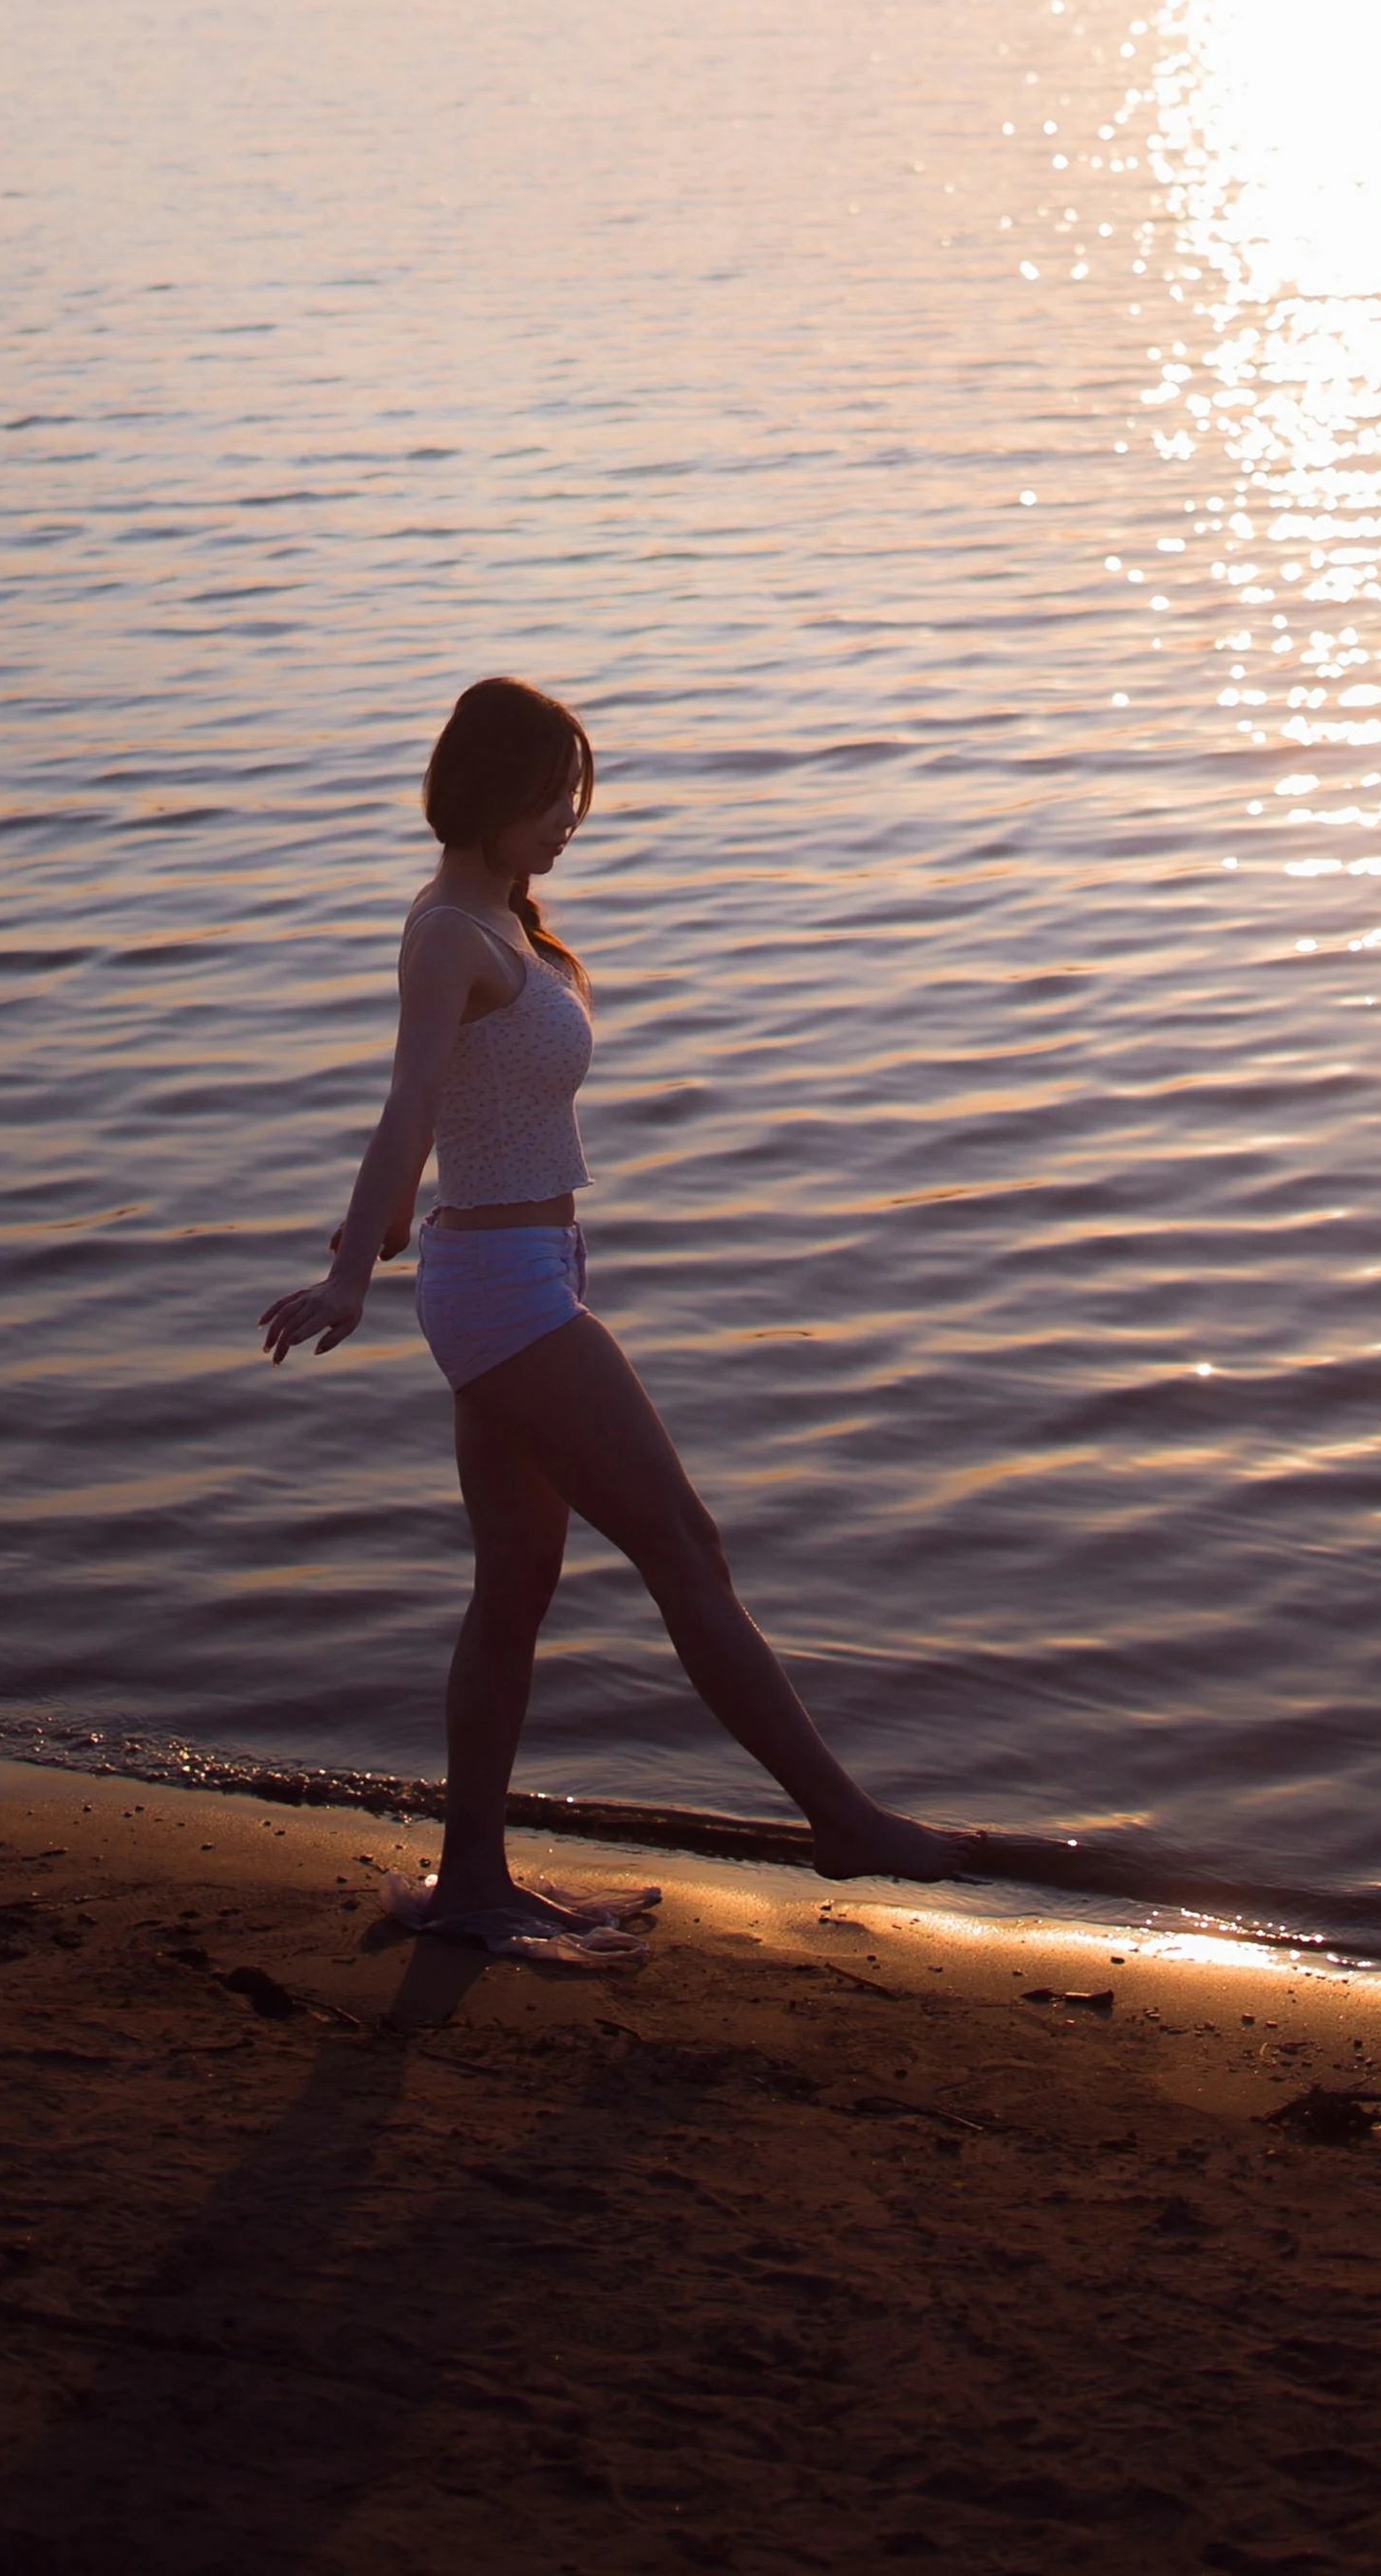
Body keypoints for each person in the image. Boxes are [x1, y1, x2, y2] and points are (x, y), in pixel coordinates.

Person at [261, 673, 965, 1945]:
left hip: (516, 1272)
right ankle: (840, 1821)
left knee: (514, 1590)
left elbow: (471, 1115)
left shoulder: (499, 922)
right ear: (485, 796)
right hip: (504, 1299)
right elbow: (407, 1103)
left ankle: (471, 1882)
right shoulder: (450, 936)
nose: (569, 822)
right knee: (684, 1550)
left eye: (574, 799)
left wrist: (412, 1221)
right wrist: (358, 1269)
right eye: (549, 799)